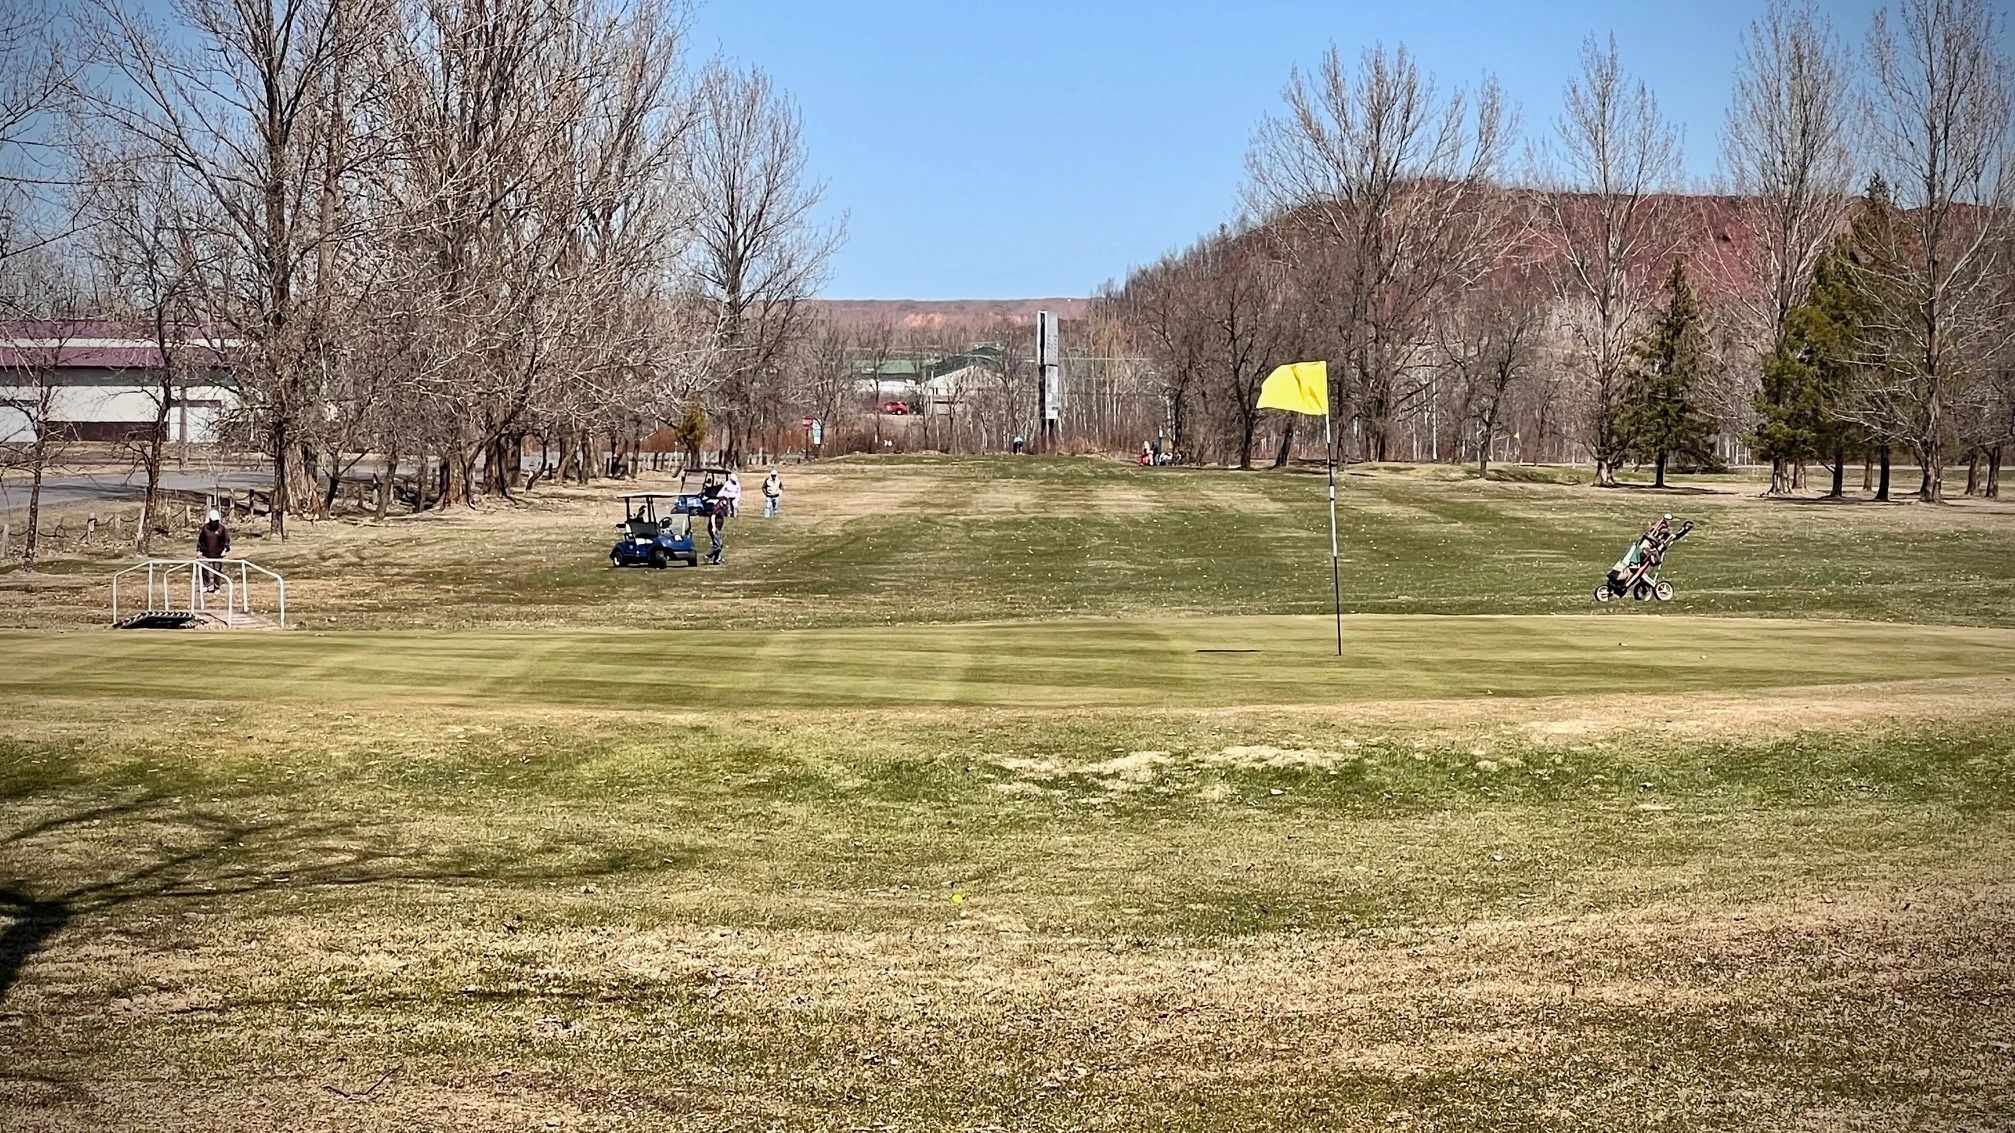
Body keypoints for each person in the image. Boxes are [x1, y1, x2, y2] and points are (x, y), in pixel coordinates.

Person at [196, 508, 231, 593]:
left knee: (217, 571)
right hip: (206, 553)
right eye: (213, 521)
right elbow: (201, 540)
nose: (214, 523)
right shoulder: (205, 528)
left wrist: (225, 550)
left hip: (218, 554)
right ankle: (206, 585)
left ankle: (216, 587)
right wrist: (198, 550)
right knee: (204, 569)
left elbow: (226, 540)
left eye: (216, 521)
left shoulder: (222, 529)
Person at [706, 497, 728, 565]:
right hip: (714, 528)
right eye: (724, 503)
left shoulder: (722, 507)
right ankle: (708, 555)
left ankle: (716, 560)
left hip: (718, 528)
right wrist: (714, 527)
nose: (725, 505)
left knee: (719, 545)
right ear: (721, 501)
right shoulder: (717, 507)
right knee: (718, 545)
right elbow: (712, 517)